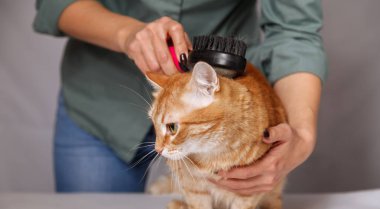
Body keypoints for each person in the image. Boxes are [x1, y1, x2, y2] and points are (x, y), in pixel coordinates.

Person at [33, 0, 327, 194]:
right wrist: (127, 34)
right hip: (102, 100)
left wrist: (301, 134)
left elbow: (295, 29)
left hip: (226, 116)